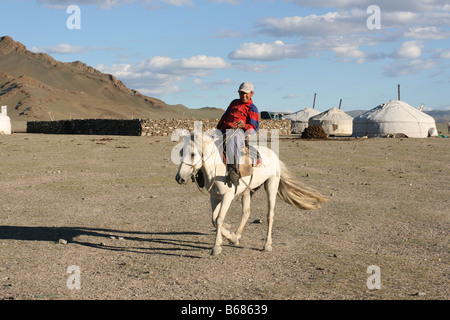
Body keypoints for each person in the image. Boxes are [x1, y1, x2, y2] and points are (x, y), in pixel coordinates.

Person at [217, 82, 260, 186]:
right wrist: (217, 129)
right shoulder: (233, 103)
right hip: (225, 129)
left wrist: (244, 125)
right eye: (241, 93)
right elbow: (225, 116)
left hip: (239, 132)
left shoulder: (252, 108)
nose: (243, 95)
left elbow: (254, 128)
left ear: (252, 94)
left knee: (233, 140)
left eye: (246, 93)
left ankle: (233, 171)